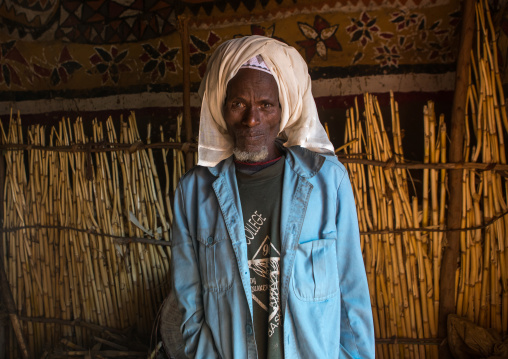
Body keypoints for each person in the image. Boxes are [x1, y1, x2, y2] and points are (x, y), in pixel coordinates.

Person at [170, 35, 374, 359]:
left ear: (283, 111)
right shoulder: (193, 195)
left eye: (265, 105)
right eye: (239, 104)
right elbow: (188, 308)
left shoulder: (328, 184)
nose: (252, 120)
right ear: (223, 110)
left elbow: (352, 299)